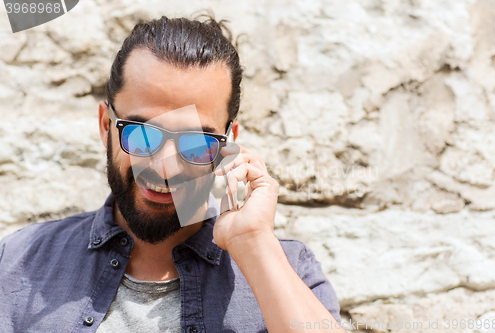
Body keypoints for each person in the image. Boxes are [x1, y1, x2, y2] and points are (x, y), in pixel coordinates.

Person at [0, 15, 343, 332]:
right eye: (142, 134)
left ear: (229, 143)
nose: (165, 166)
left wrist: (252, 243)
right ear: (107, 126)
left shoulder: (289, 270)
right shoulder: (16, 263)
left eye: (197, 142)